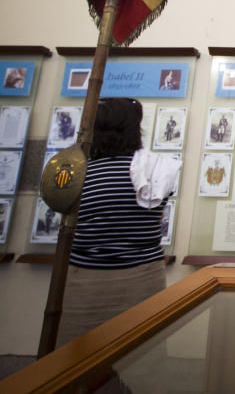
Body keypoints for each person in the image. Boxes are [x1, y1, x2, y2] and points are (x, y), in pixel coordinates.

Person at [58, 98, 180, 346]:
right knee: (142, 361)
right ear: (134, 130)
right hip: (141, 276)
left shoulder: (76, 172)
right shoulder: (155, 171)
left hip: (86, 278)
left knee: (77, 363)